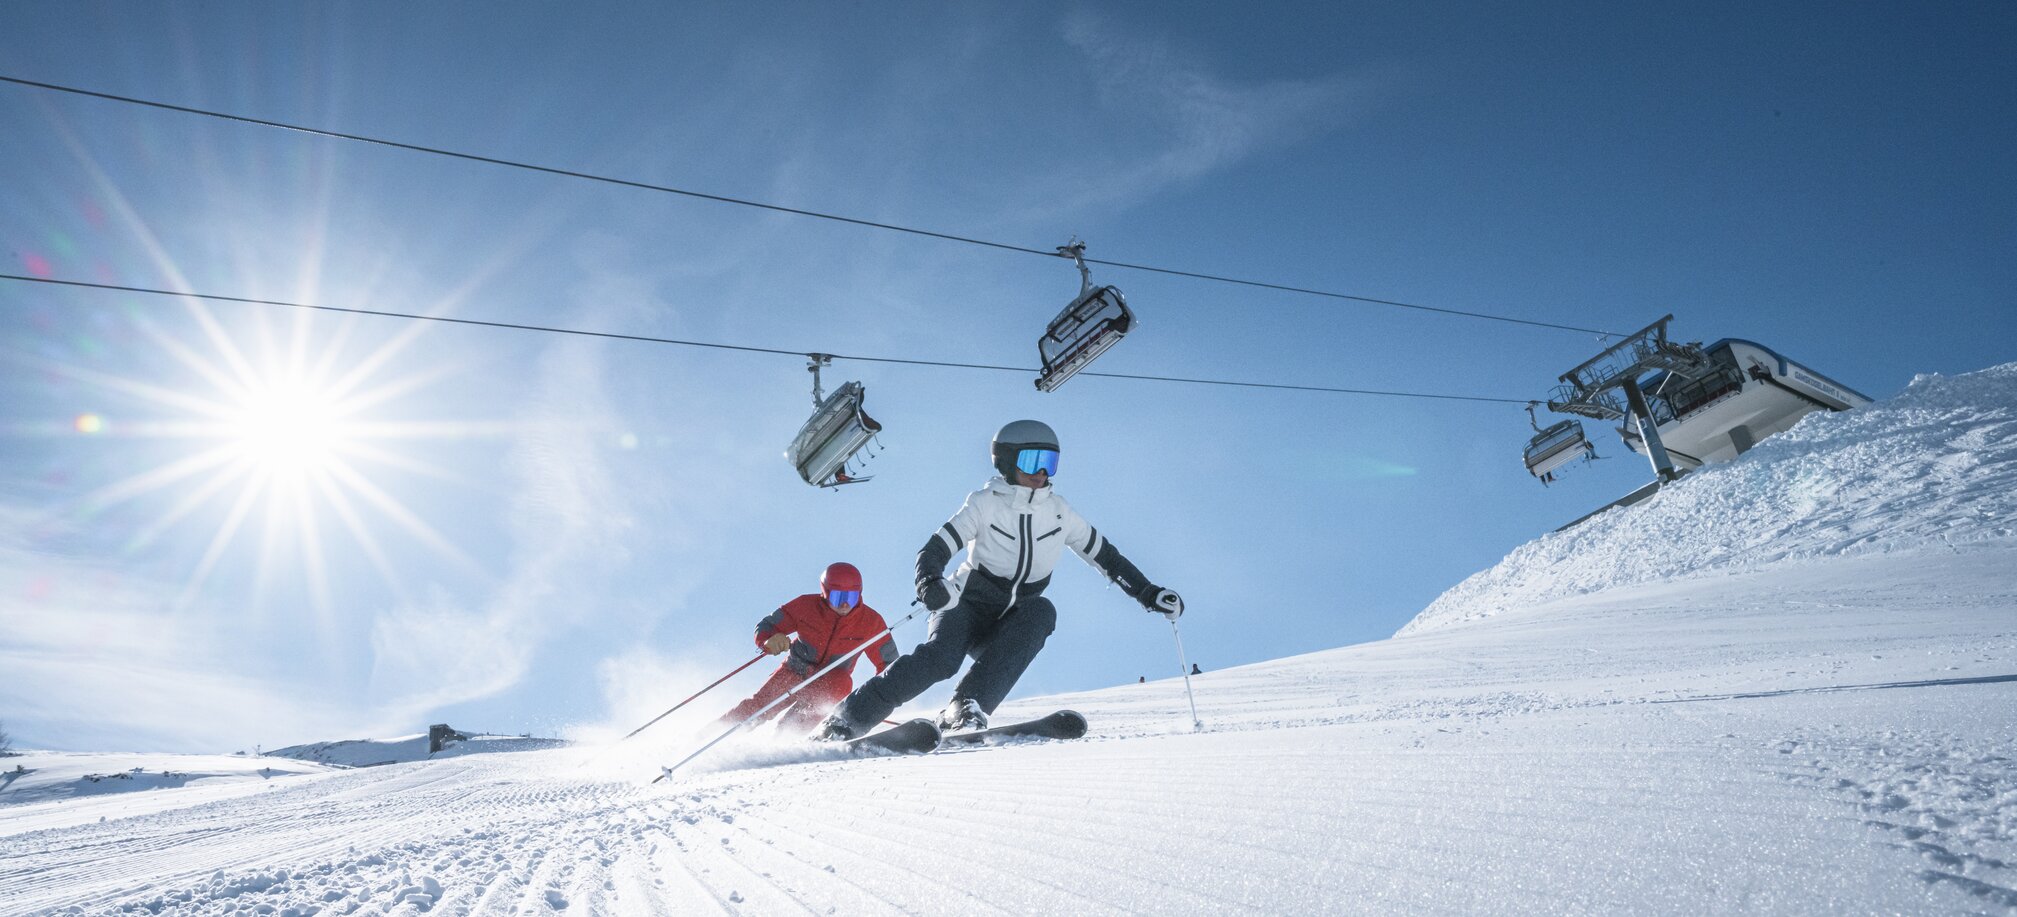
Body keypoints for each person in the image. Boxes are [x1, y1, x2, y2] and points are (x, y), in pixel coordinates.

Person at [816, 420, 1182, 739]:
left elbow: (1108, 558)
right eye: (1031, 461)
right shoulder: (985, 503)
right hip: (965, 605)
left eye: (1049, 462)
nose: (1041, 472)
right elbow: (936, 547)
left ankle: (966, 707)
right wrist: (929, 581)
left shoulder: (1059, 513)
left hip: (1010, 621)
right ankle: (847, 720)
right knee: (942, 659)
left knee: (1042, 611)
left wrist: (1149, 593)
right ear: (1006, 462)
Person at [720, 562, 899, 733]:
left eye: (851, 597)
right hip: (793, 672)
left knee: (841, 683)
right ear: (825, 592)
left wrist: (878, 698)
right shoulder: (806, 606)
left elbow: (889, 664)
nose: (845, 604)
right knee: (760, 707)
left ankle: (787, 736)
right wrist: (768, 640)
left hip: (829, 683)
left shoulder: (870, 622)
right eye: (838, 597)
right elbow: (768, 625)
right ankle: (714, 733)